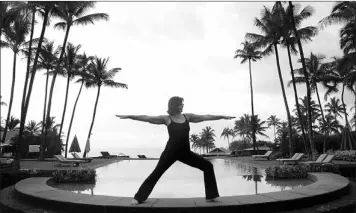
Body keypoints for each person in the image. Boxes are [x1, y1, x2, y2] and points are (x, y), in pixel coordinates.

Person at [115, 96, 235, 205]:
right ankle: (139, 197)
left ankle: (211, 196)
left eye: (183, 104)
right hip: (170, 153)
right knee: (156, 173)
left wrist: (222, 116)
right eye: (181, 104)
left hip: (185, 153)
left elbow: (205, 117)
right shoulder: (167, 119)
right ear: (174, 105)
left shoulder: (187, 117)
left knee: (208, 166)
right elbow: (147, 118)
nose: (183, 106)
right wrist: (130, 116)